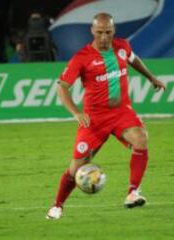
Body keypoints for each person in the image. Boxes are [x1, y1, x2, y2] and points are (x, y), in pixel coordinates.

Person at [46, 13, 166, 220]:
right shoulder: (82, 57)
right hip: (94, 119)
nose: (104, 37)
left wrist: (151, 77)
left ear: (114, 31)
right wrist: (76, 112)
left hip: (121, 112)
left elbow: (133, 59)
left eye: (108, 32)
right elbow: (62, 87)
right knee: (76, 169)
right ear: (92, 31)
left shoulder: (122, 47)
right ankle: (57, 206)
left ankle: (132, 192)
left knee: (141, 138)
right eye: (99, 32)